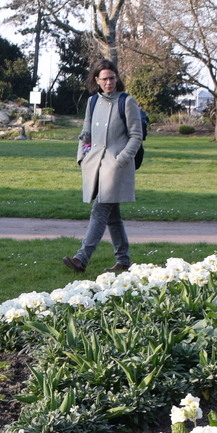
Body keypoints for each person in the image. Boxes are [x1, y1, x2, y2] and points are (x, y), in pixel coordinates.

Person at [63, 60, 142, 273]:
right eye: (104, 79)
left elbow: (136, 136)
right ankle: (123, 260)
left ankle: (81, 258)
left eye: (112, 78)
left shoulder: (127, 101)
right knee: (112, 216)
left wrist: (121, 160)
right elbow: (85, 133)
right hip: (95, 165)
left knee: (100, 210)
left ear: (117, 78)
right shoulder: (92, 102)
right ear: (96, 80)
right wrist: (82, 157)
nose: (109, 82)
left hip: (115, 168)